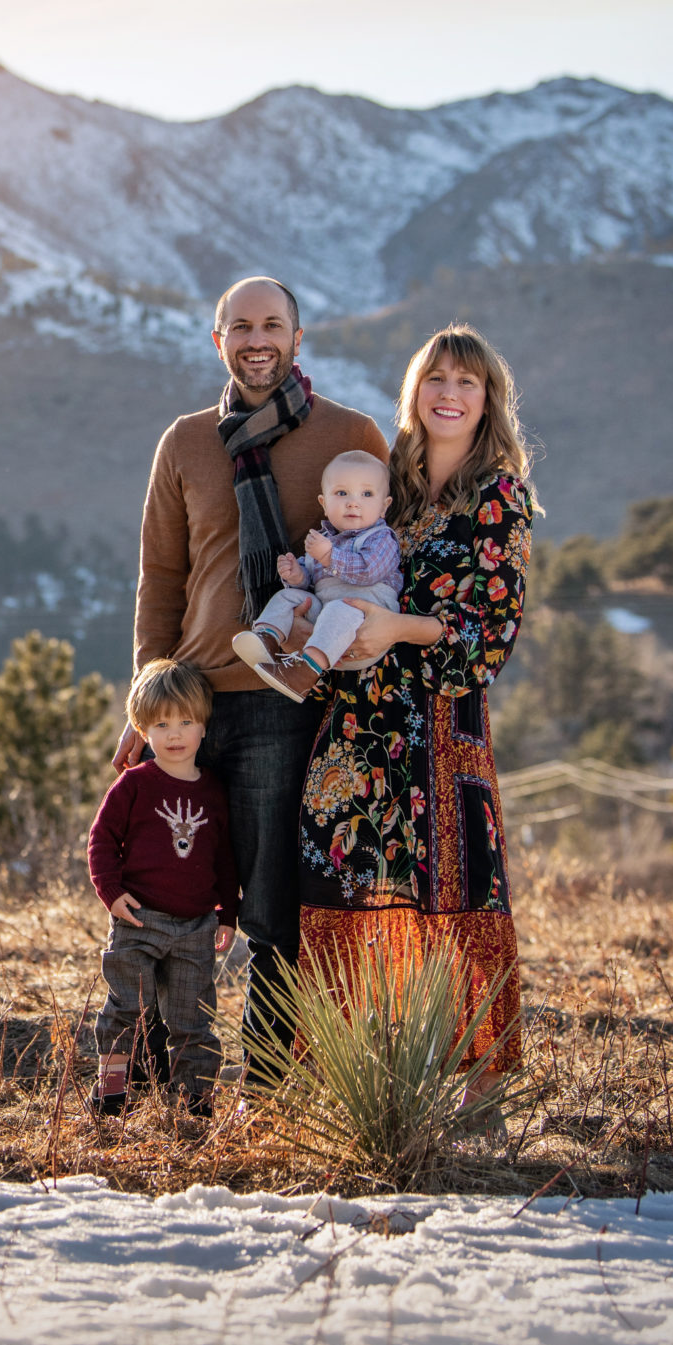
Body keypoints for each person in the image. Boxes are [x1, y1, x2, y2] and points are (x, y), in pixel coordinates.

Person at [124, 276, 388, 1075]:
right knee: (171, 903)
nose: (257, 338)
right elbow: (161, 579)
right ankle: (170, 1079)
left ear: (299, 338)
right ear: (218, 341)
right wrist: (145, 703)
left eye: (273, 323)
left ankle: (270, 1089)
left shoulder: (354, 438)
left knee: (273, 908)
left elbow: (385, 568)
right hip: (190, 704)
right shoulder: (184, 440)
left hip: (283, 701)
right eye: (240, 326)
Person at [296, 323, 536, 1079]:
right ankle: (351, 1071)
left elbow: (494, 629)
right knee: (341, 873)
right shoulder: (385, 480)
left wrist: (400, 627)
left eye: (467, 381)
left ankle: (478, 1092)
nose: (450, 393)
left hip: (438, 717)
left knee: (455, 884)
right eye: (437, 378)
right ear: (415, 391)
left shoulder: (499, 493)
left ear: (489, 397)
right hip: (358, 714)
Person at [85, 659, 238, 1117]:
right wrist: (111, 894)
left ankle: (196, 1105)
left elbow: (224, 858)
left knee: (194, 1020)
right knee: (126, 1010)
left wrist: (227, 912)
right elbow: (101, 841)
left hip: (196, 927)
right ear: (142, 730)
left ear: (204, 727)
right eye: (161, 723)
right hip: (139, 920)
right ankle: (111, 1093)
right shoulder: (134, 785)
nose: (175, 734)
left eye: (186, 721)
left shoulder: (214, 791)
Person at [231, 449, 401, 699]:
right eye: (341, 493)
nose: (353, 502)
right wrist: (297, 575)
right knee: (288, 598)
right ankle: (266, 641)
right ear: (324, 503)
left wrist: (329, 557)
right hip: (328, 626)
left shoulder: (381, 538)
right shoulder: (323, 541)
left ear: (384, 506)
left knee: (339, 609)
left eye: (367, 494)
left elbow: (369, 571)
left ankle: (303, 675)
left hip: (367, 624)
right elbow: (311, 583)